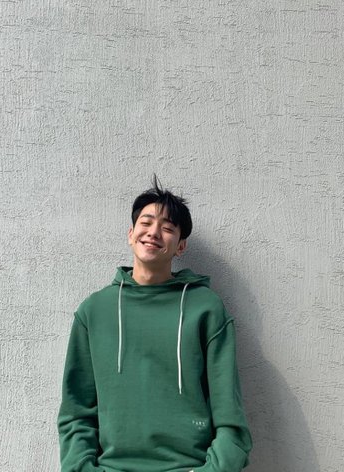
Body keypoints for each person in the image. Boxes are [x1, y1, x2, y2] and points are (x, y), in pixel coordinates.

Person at [57, 175, 252, 472]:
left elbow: (230, 417)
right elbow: (76, 412)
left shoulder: (206, 309)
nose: (154, 232)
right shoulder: (94, 311)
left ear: (181, 246)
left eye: (168, 228)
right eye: (146, 223)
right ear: (131, 233)